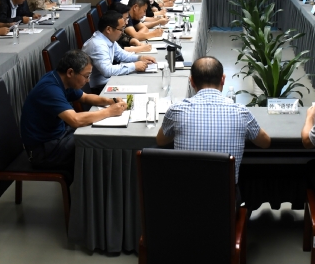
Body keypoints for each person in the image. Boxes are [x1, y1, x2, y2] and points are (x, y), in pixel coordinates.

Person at [157, 57, 271, 187]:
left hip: (185, 196)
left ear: (191, 81)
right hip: (226, 197)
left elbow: (161, 141)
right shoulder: (241, 112)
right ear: (223, 79)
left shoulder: (176, 110)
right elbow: (265, 142)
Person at [19, 50, 128, 179]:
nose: (88, 80)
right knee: (99, 146)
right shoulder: (50, 89)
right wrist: (109, 111)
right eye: (86, 76)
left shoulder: (61, 79)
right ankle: (95, 189)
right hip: (44, 150)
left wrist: (110, 101)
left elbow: (85, 97)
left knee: (99, 136)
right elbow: (75, 120)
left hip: (59, 136)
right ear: (70, 72)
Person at [82, 11, 157, 93]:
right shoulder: (98, 45)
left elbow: (121, 55)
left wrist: (140, 58)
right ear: (109, 29)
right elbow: (107, 71)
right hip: (99, 89)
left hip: (109, 81)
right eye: (121, 29)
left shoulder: (108, 38)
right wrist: (134, 66)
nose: (122, 32)